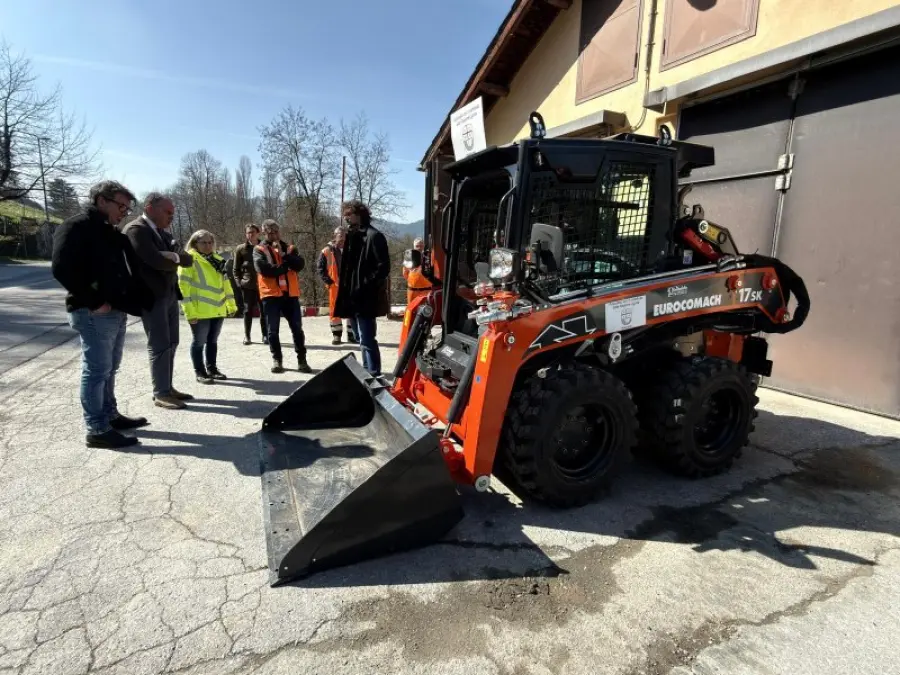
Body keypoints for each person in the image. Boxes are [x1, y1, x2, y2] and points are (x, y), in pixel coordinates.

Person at [51, 180, 154, 448]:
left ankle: (109, 415)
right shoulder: (76, 227)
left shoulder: (109, 232)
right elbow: (62, 269)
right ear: (101, 200)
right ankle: (96, 429)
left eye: (127, 208)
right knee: (96, 371)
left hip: (115, 312)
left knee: (109, 368)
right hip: (93, 312)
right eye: (121, 205)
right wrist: (95, 301)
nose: (124, 212)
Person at [120, 193, 195, 410]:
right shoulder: (137, 230)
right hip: (151, 297)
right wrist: (171, 258)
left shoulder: (162, 232)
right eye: (167, 212)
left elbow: (187, 259)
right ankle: (161, 393)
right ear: (150, 207)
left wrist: (171, 256)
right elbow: (154, 261)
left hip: (169, 294)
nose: (171, 217)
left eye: (172, 213)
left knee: (172, 342)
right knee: (160, 344)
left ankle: (168, 387)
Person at [334, 200, 391, 376]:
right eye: (345, 216)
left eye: (349, 215)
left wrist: (365, 284)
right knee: (359, 338)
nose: (347, 219)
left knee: (367, 338)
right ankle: (368, 370)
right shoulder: (352, 236)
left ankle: (373, 372)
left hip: (366, 296)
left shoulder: (374, 236)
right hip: (352, 297)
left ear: (359, 214)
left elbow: (383, 267)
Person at [178, 229, 237, 384]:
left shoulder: (217, 260)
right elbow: (183, 287)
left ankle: (212, 369)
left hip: (217, 309)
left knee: (213, 341)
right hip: (199, 310)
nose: (207, 245)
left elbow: (226, 284)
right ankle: (200, 372)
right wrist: (189, 312)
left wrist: (231, 305)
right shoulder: (189, 259)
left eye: (210, 242)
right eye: (203, 242)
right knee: (199, 342)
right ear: (194, 243)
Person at [252, 219, 312, 374]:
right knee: (272, 331)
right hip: (271, 296)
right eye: (270, 232)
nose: (273, 235)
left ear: (280, 231)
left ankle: (302, 360)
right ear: (265, 233)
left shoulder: (290, 248)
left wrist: (284, 255)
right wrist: (285, 267)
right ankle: (277, 360)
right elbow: (264, 269)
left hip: (290, 295)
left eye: (276, 231)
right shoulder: (259, 249)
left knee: (297, 329)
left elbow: (299, 265)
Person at [316, 226, 357, 345]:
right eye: (340, 236)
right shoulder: (327, 251)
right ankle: (337, 335)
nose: (343, 239)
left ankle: (352, 335)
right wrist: (329, 282)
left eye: (345, 236)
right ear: (335, 236)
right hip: (335, 286)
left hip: (350, 286)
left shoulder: (352, 249)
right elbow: (320, 268)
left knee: (351, 310)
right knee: (335, 311)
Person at [232, 223, 268, 345]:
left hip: (263, 285)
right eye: (248, 232)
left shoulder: (265, 246)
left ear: (258, 233)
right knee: (247, 311)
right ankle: (247, 336)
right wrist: (239, 282)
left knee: (264, 311)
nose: (250, 234)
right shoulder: (241, 249)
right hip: (247, 285)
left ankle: (265, 336)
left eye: (252, 232)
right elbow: (235, 269)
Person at [403, 237, 433, 306]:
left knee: (427, 310)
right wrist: (414, 281)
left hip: (427, 291)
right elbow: (405, 273)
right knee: (412, 309)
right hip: (412, 291)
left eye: (421, 245)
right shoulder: (408, 258)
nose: (419, 247)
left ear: (424, 246)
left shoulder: (429, 257)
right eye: (417, 246)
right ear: (414, 246)